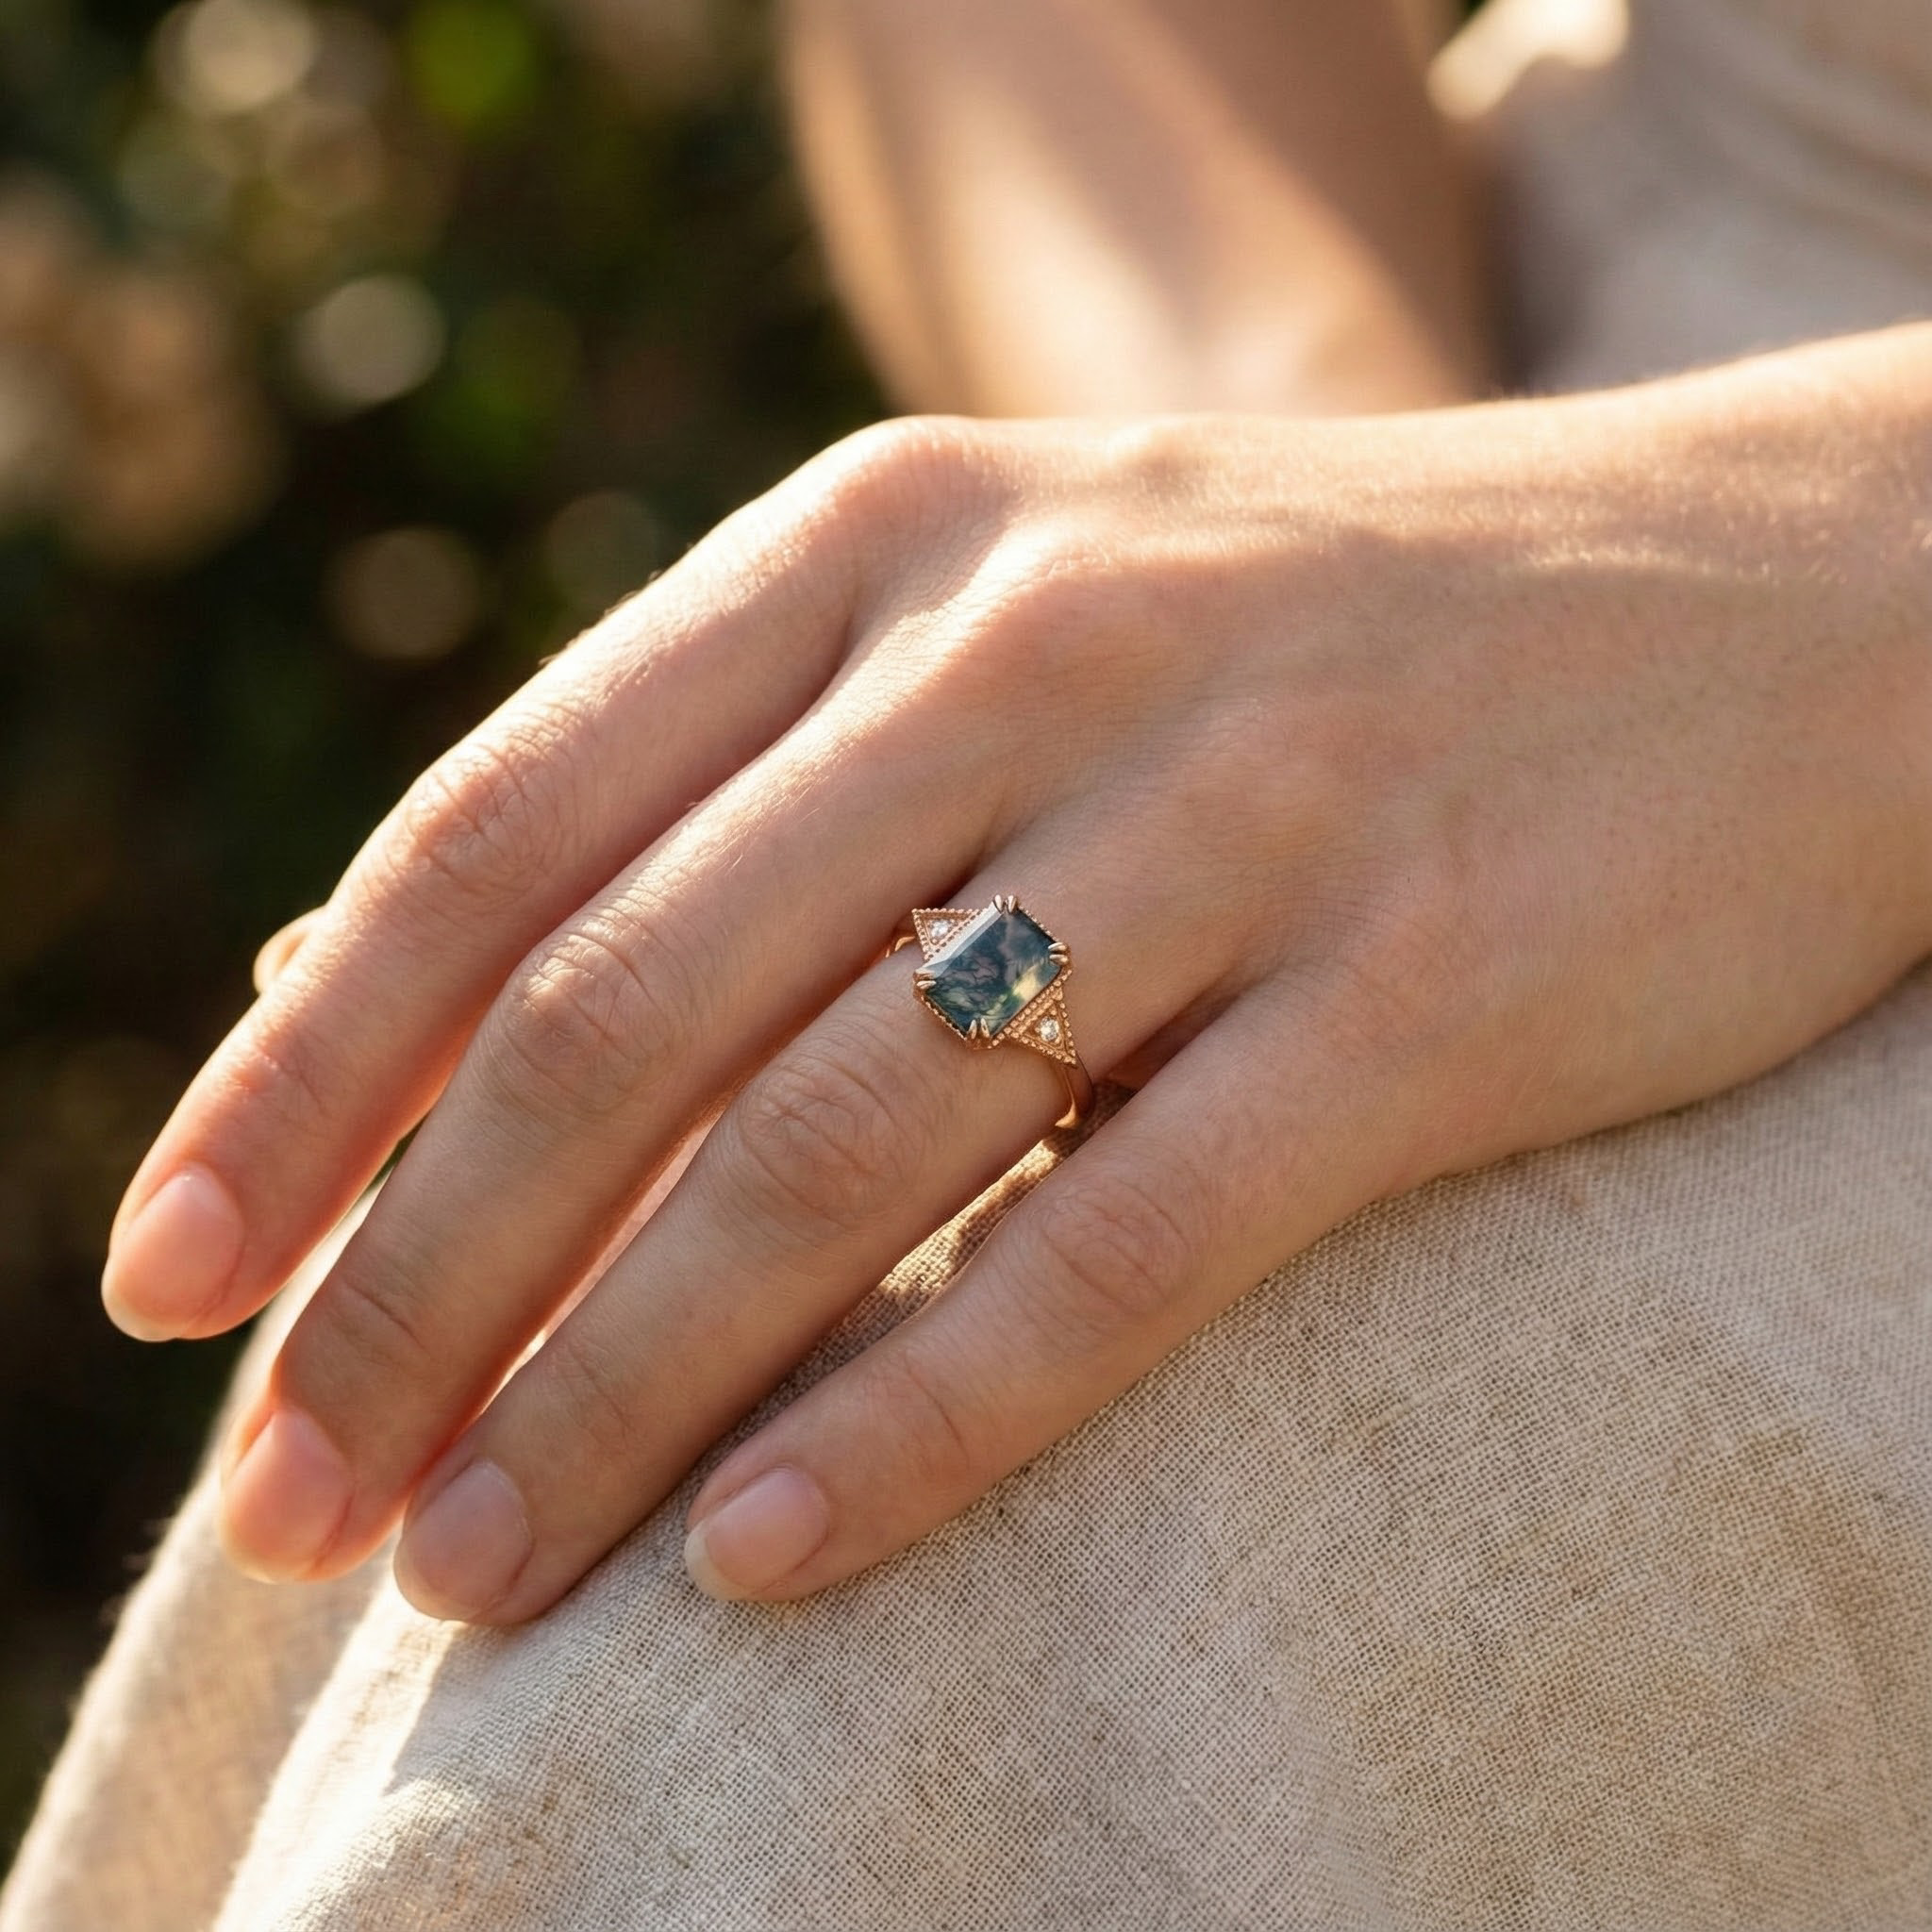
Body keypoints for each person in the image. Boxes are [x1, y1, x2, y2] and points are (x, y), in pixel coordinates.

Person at [6, 0, 1930, 1925]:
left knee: (904, 1628)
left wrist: (1808, 581)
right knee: (679, 1266)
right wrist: (1321, 620)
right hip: (1535, 431)